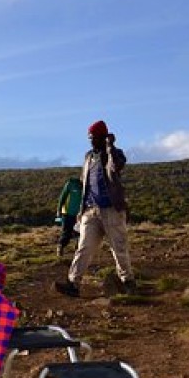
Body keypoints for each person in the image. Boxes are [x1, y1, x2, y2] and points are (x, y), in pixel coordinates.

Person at [54, 120, 135, 297]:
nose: (91, 141)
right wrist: (81, 211)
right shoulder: (88, 157)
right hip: (91, 210)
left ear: (103, 137)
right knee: (84, 247)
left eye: (94, 137)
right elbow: (85, 184)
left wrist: (110, 147)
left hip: (111, 209)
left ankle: (127, 281)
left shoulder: (114, 153)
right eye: (90, 138)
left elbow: (116, 166)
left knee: (118, 248)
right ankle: (73, 284)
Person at [55, 177, 82, 256]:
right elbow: (62, 197)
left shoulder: (87, 185)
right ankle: (60, 247)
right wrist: (58, 210)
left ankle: (78, 250)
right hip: (67, 213)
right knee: (67, 232)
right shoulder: (71, 184)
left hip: (80, 214)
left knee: (80, 232)